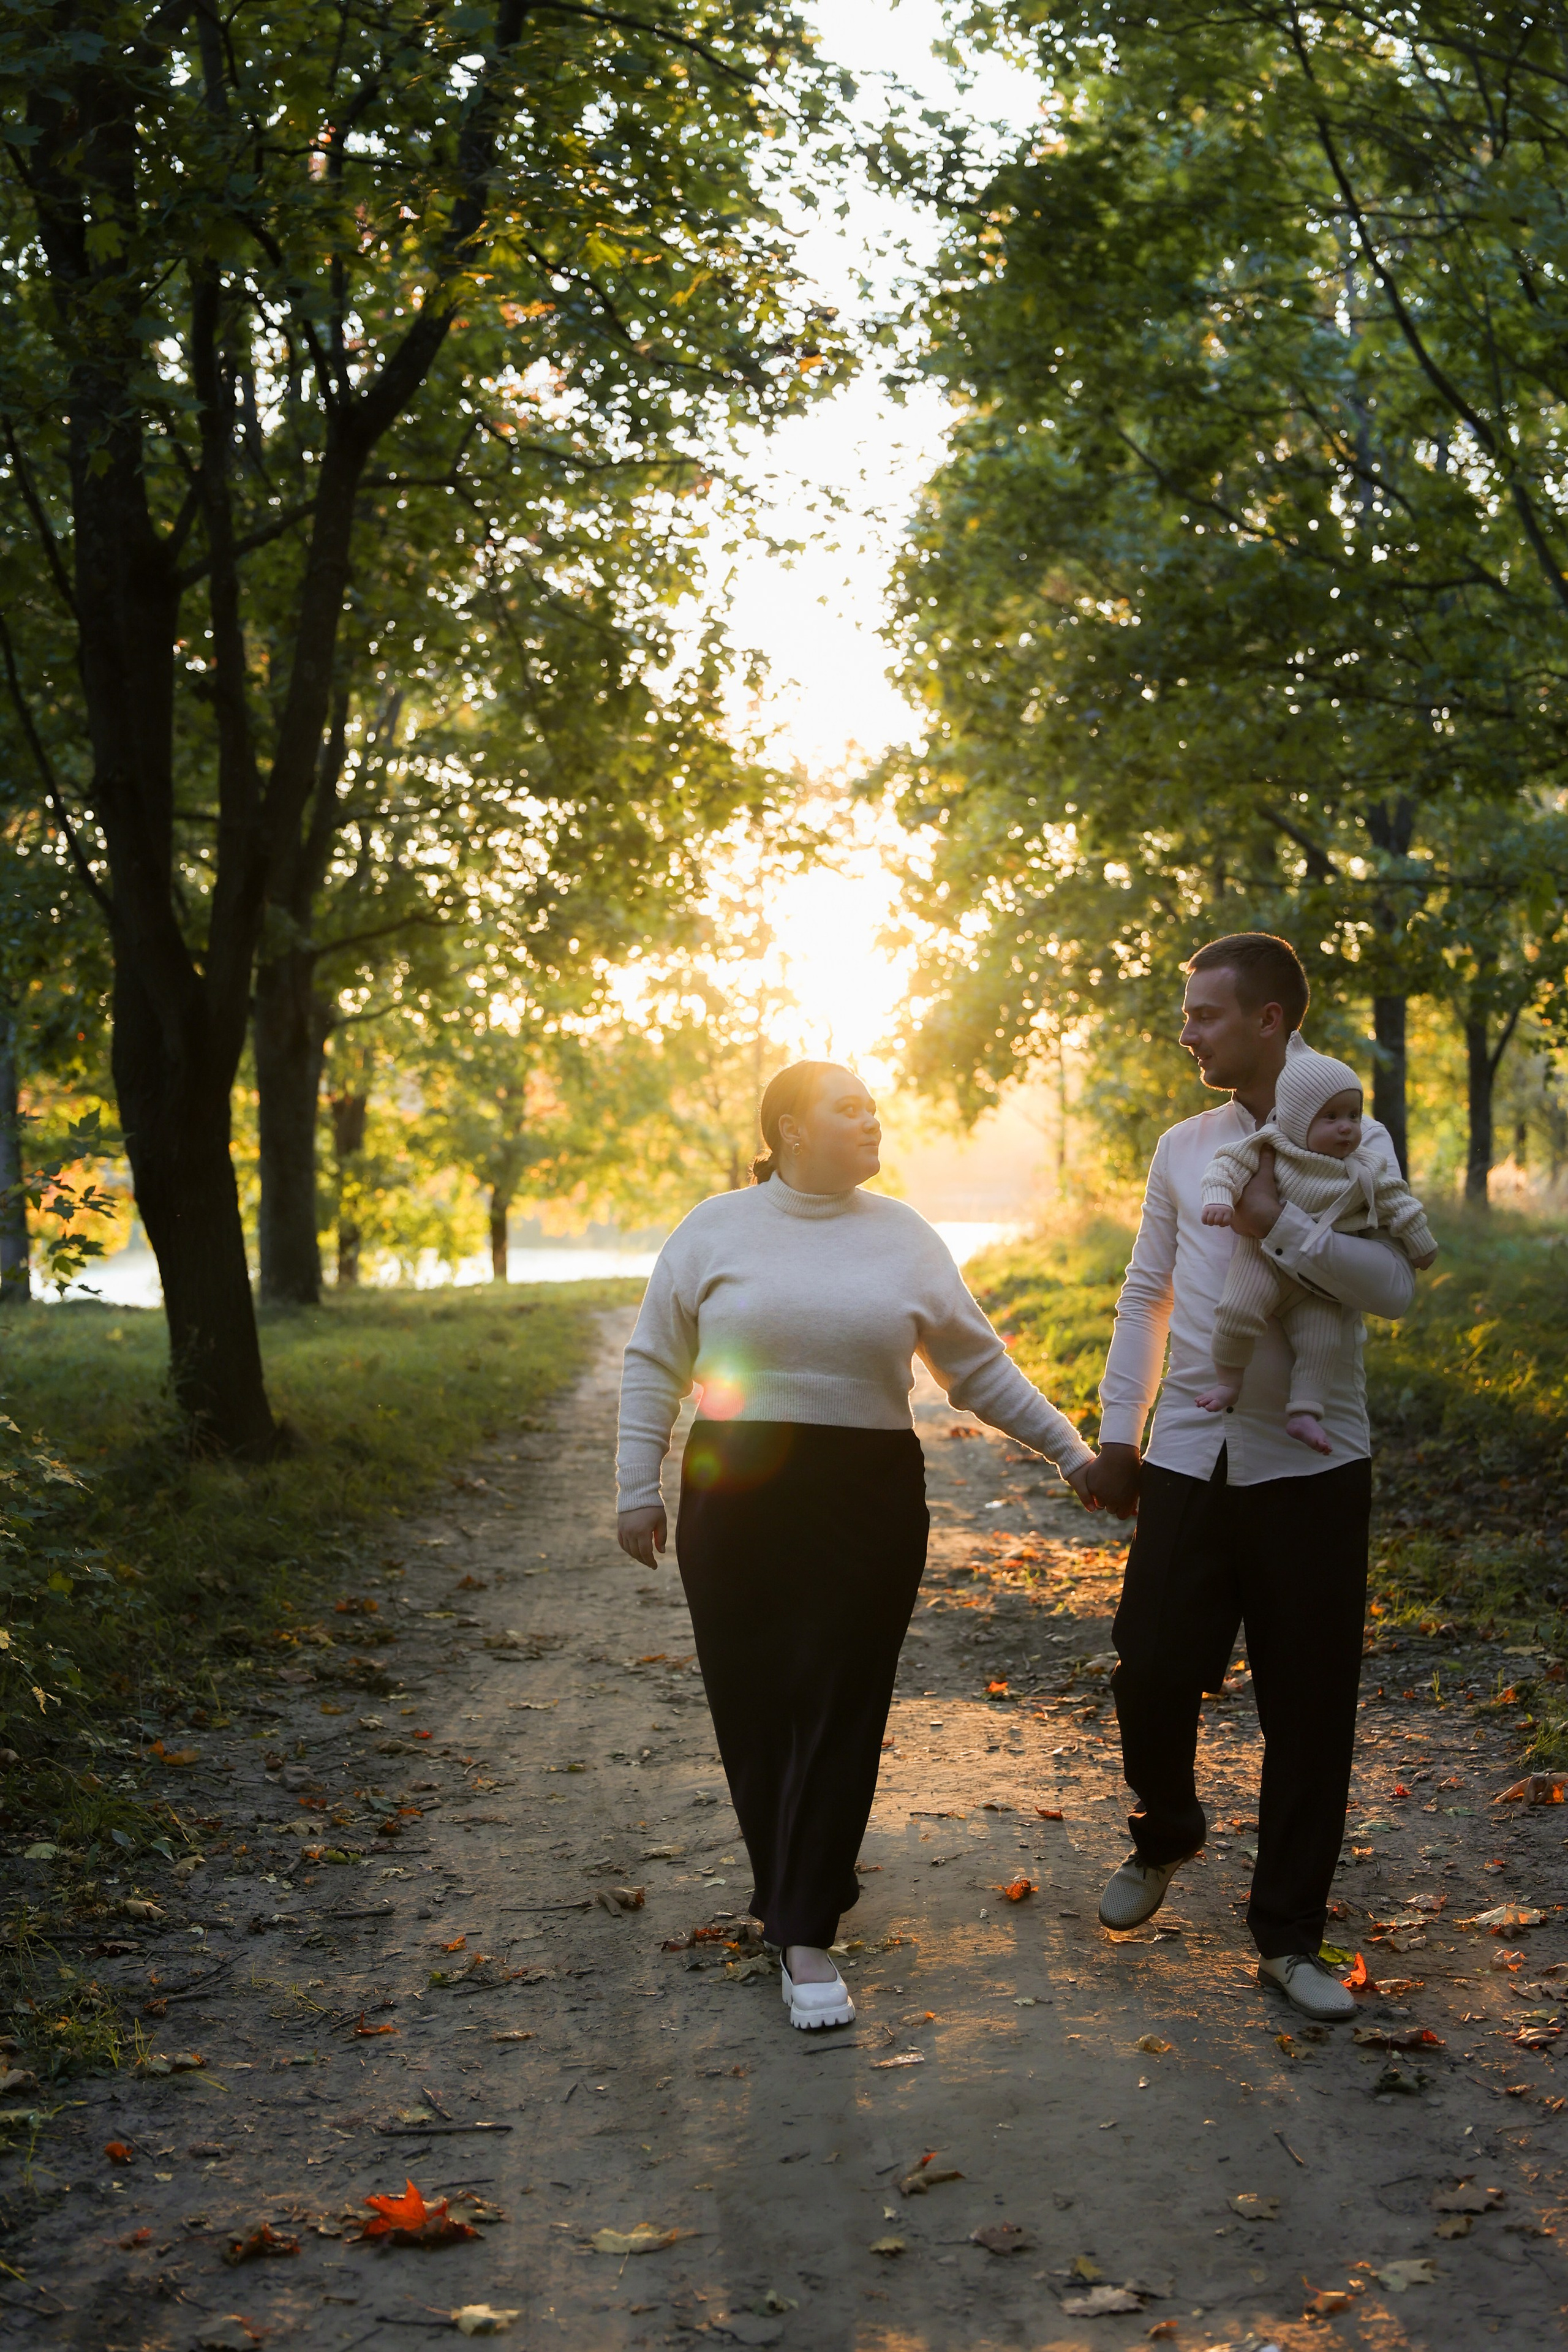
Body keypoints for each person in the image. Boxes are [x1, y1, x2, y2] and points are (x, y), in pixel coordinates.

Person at [616, 1060, 1096, 2032]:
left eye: (875, 1108)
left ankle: (802, 1929)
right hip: (736, 1492)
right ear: (789, 1129)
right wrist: (635, 1485)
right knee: (755, 1705)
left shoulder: (906, 1237)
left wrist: (1074, 1456)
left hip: (864, 1500)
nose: (872, 1121)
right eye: (848, 1109)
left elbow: (978, 1369)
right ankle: (795, 1893)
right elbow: (653, 1360)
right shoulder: (714, 1228)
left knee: (840, 1700)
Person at [1085, 935, 1423, 2023]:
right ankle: (1169, 1830)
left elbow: (1394, 1288)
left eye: (1206, 1016)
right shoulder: (1185, 1147)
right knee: (1149, 1668)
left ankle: (1288, 1939)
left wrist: (1286, 1225)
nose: (1188, 1032)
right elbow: (1147, 1296)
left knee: (1311, 1712)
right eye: (1187, 1014)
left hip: (1315, 1467)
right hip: (1187, 1451)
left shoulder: (1351, 1136)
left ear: (1271, 1019)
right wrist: (1120, 1437)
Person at [1195, 1047, 1437, 1455]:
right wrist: (1219, 1198)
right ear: (1296, 1118)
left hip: (1320, 1280)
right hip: (1263, 1259)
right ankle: (1228, 1379)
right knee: (1237, 1311)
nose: (1346, 1128)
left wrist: (1421, 1243)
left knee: (1323, 1342)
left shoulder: (1365, 1165)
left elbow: (1400, 1204)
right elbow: (1225, 1165)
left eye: (1353, 1116)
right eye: (1331, 1117)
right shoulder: (1270, 1143)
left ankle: (1305, 1411)